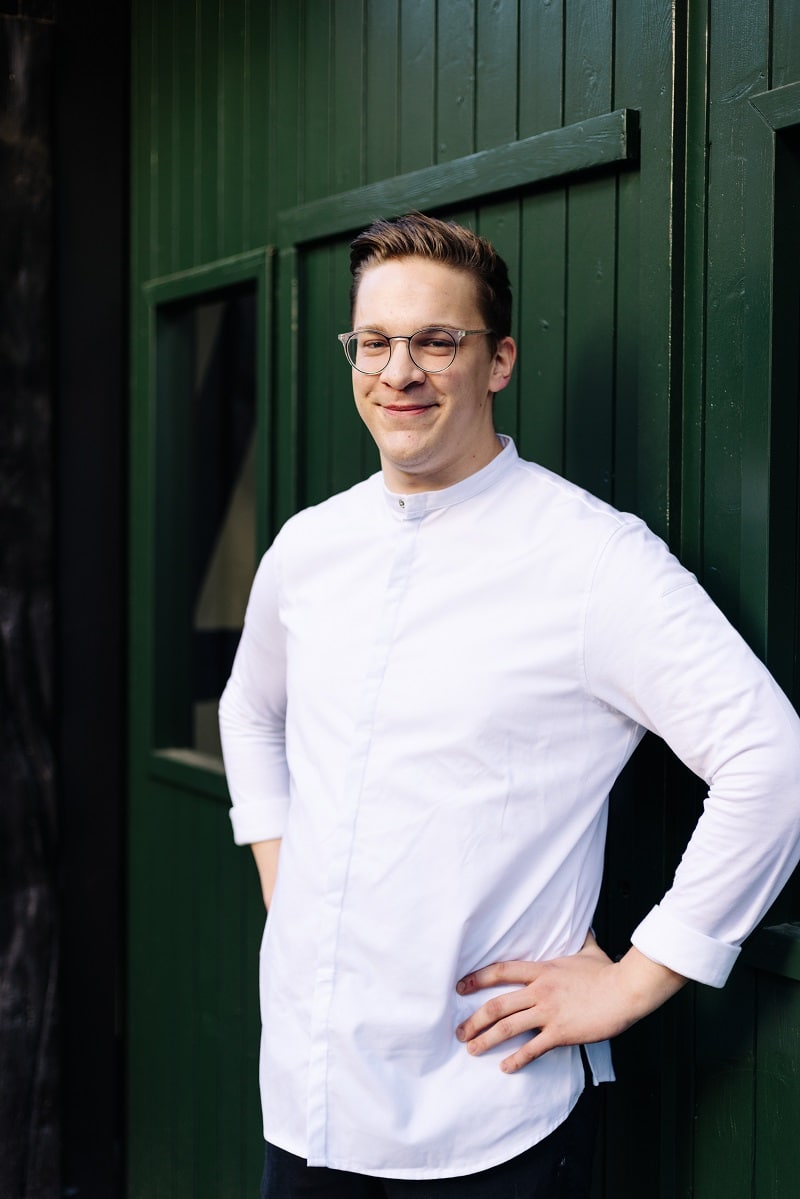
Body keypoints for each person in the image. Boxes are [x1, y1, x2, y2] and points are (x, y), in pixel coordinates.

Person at [218, 211, 800, 1198]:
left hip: (490, 1117)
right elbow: (248, 711)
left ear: (499, 361)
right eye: (374, 342)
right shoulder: (308, 547)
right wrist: (287, 875)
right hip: (307, 1098)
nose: (399, 371)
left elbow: (769, 758)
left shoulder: (591, 558)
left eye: (437, 341)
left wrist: (637, 977)